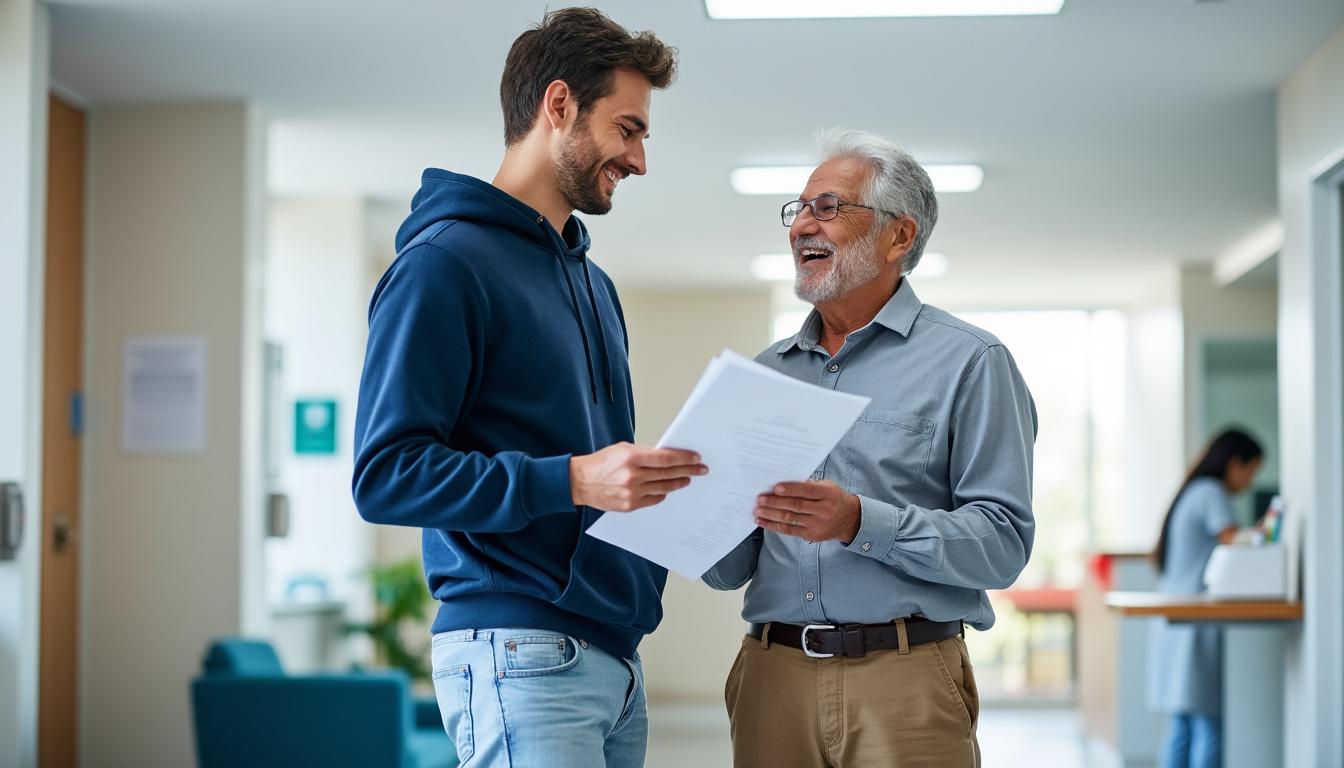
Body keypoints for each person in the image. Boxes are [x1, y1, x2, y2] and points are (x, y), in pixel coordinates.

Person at [351, 9, 701, 767]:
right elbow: (385, 476)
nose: (639, 160)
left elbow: (590, 483)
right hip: (519, 647)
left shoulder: (594, 285)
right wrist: (576, 479)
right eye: (629, 128)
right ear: (560, 105)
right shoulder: (443, 266)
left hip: (611, 654)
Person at [703, 129, 1037, 768]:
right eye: (798, 210)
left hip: (905, 682)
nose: (803, 225)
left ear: (899, 236)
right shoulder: (762, 376)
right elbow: (727, 568)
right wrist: (686, 506)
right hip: (771, 679)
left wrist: (860, 521)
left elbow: (1002, 546)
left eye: (828, 208)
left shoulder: (972, 363)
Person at [1148, 428, 1264, 768]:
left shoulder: (1192, 491)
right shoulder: (1211, 492)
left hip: (1174, 621)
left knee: (1182, 725)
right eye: (1251, 471)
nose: (1250, 482)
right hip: (1193, 623)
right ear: (1234, 464)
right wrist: (1270, 528)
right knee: (1209, 725)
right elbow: (1235, 541)